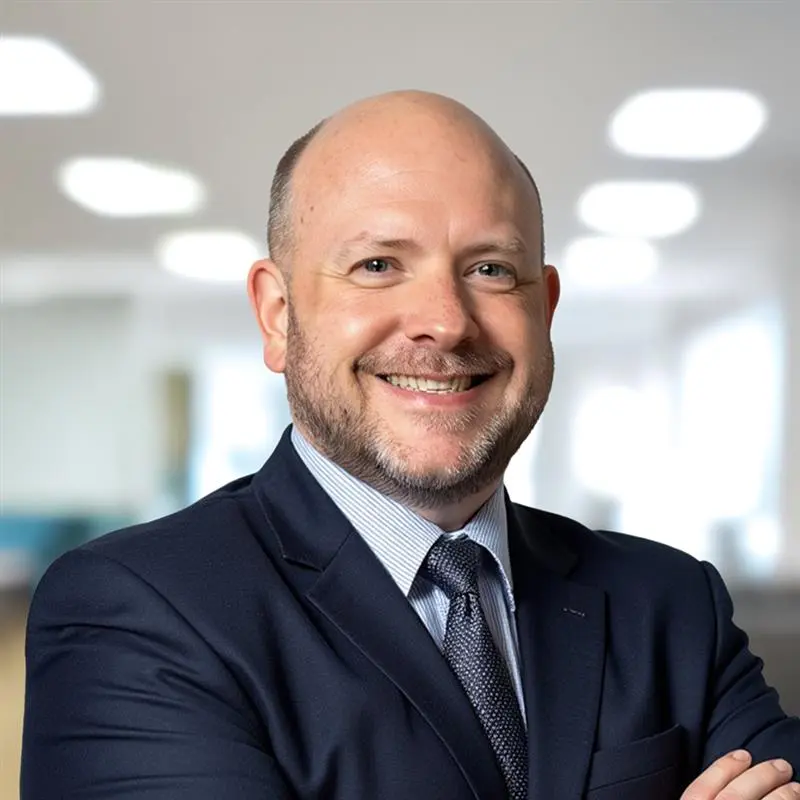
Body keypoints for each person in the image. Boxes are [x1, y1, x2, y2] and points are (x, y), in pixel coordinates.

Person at [21, 91, 800, 799]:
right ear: (277, 315)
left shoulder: (670, 604)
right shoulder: (134, 612)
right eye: (379, 265)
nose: (446, 321)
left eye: (491, 269)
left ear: (545, 308)